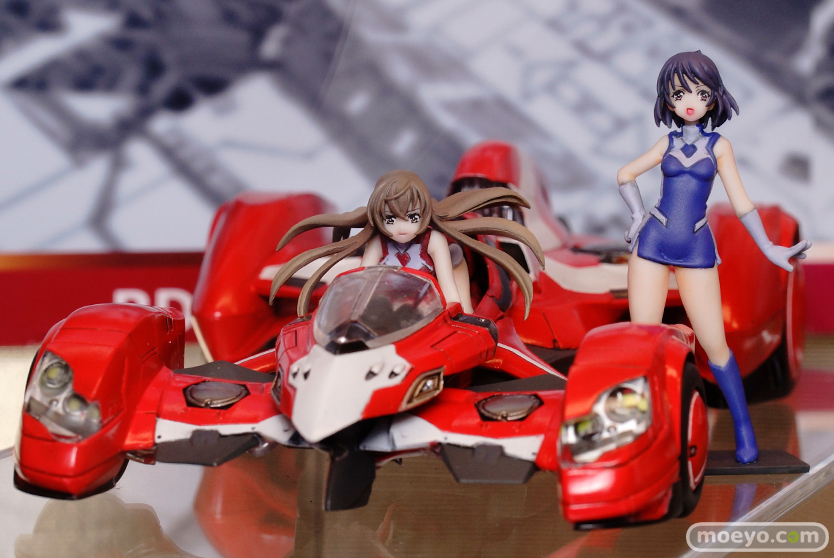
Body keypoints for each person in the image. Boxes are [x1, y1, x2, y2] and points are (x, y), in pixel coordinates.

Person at [617, 51, 811, 464]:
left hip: (696, 246)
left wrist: (768, 247)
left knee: (715, 345)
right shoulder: (667, 142)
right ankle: (644, 435)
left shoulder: (719, 146)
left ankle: (743, 429)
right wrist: (636, 215)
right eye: (679, 94)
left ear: (714, 97)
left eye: (700, 93)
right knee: (642, 343)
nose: (689, 102)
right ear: (667, 99)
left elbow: (742, 204)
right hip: (652, 242)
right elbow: (625, 174)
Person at [270, 169, 544, 318]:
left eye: (412, 218)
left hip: (426, 304)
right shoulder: (379, 242)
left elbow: (447, 284)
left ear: (424, 214)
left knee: (456, 262)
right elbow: (362, 278)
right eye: (390, 219)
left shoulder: (433, 240)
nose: (401, 228)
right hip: (385, 304)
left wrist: (459, 314)